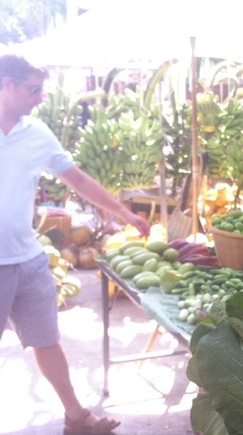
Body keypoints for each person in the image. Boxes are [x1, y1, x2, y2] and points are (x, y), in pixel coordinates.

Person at [0, 54, 150, 434]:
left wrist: (124, 213)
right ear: (6, 84)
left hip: (28, 259)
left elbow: (78, 180)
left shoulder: (35, 133)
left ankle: (76, 416)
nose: (39, 99)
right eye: (33, 90)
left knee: (47, 341)